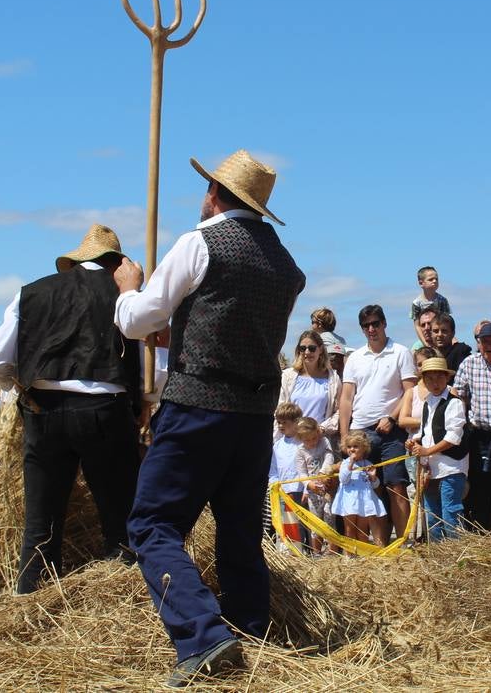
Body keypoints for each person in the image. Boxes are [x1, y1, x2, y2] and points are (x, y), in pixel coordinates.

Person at [115, 149, 303, 687]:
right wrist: (180, 330)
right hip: (253, 416)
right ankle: (250, 631)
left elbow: (135, 322)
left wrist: (129, 288)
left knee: (152, 523)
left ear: (215, 194)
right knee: (240, 530)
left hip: (197, 406)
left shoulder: (199, 242)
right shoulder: (284, 264)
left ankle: (202, 636)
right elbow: (239, 328)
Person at [0, 223, 143, 595]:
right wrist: (144, 404)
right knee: (119, 518)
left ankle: (31, 603)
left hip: (44, 409)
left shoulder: (32, 293)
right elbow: (156, 367)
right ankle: (120, 602)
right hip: (107, 409)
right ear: (116, 264)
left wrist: (23, 388)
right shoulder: (127, 296)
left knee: (41, 523)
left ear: (75, 262)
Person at [338, 305, 417, 542]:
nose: (371, 329)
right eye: (366, 325)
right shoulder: (355, 358)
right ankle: (378, 546)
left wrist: (392, 417)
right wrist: (345, 436)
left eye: (375, 323)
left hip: (392, 431)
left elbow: (410, 391)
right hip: (360, 431)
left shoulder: (401, 352)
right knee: (368, 490)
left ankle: (404, 544)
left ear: (384, 323)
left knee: (396, 486)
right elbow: (346, 398)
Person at [452, 322, 491, 532]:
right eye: (483, 341)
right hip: (478, 434)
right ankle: (480, 531)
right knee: (479, 485)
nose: (487, 345)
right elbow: (457, 395)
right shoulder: (469, 364)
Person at [406, 356, 468, 541]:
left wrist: (427, 451)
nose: (434, 382)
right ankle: (439, 556)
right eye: (430, 378)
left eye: (439, 377)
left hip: (451, 466)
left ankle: (457, 554)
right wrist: (415, 442)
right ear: (423, 380)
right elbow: (427, 432)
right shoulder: (427, 403)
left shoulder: (454, 402)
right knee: (432, 515)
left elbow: (453, 438)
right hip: (431, 468)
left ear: (446, 378)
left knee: (450, 514)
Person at [331, 430, 387, 546]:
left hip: (363, 500)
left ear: (364, 448)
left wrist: (373, 477)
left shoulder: (368, 464)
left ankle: (363, 553)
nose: (352, 449)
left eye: (355, 446)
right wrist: (350, 464)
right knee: (349, 529)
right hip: (349, 500)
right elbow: (343, 479)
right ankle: (349, 554)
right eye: (349, 446)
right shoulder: (345, 463)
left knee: (363, 530)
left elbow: (375, 485)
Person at [295, 417, 336, 554]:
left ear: (318, 432)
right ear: (301, 439)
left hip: (328, 487)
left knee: (329, 515)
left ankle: (332, 550)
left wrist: (324, 472)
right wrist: (309, 484)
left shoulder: (324, 442)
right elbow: (301, 473)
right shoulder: (300, 451)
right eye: (307, 440)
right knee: (316, 520)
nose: (312, 442)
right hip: (313, 492)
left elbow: (330, 456)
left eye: (314, 438)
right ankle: (317, 552)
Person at [278, 330, 338, 425]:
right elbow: (279, 410)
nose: (307, 352)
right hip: (292, 437)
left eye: (312, 348)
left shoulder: (333, 379)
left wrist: (322, 429)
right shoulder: (288, 376)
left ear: (321, 349)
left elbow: (338, 412)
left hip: (318, 436)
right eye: (302, 348)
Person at [268, 402, 304, 544]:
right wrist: (275, 485)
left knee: (302, 523)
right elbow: (273, 470)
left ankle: (307, 550)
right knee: (287, 523)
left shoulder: (303, 442)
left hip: (301, 490)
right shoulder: (277, 446)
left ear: (296, 422)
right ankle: (290, 550)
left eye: (285, 422)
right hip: (283, 492)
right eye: (279, 422)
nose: (281, 426)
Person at [412, 266, 450, 346]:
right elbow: (417, 325)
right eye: (430, 279)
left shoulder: (442, 301)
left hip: (440, 338)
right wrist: (426, 344)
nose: (435, 281)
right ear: (421, 283)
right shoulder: (416, 303)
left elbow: (447, 322)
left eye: (436, 279)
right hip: (424, 340)